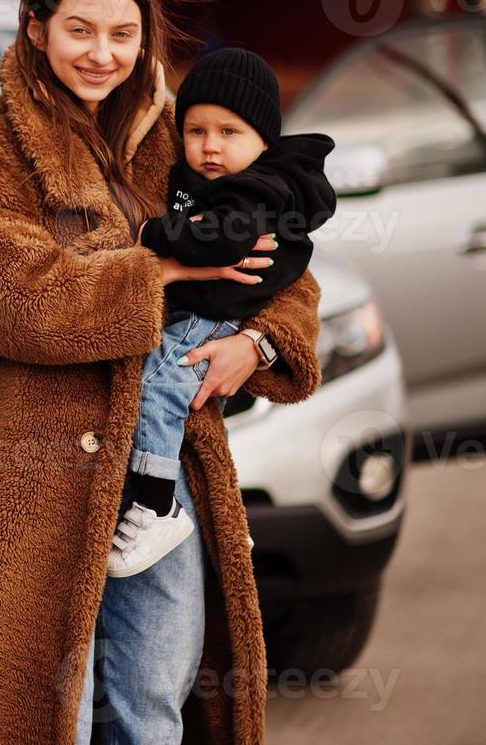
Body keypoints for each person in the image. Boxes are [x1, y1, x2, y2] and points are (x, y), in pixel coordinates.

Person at [0, 0, 327, 745]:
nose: (101, 53)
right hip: (21, 484)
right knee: (36, 714)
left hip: (157, 492)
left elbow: (288, 271)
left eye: (122, 34)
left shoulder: (181, 138)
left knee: (153, 703)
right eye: (79, 30)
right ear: (36, 29)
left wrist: (257, 345)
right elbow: (18, 300)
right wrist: (160, 270)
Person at [105, 48, 338, 578]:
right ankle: (200, 514)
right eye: (196, 132)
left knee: (159, 387)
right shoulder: (213, 175)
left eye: (228, 133)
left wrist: (153, 237)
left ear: (263, 140)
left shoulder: (255, 188)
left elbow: (221, 243)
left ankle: (156, 504)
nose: (209, 147)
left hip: (204, 319)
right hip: (198, 317)